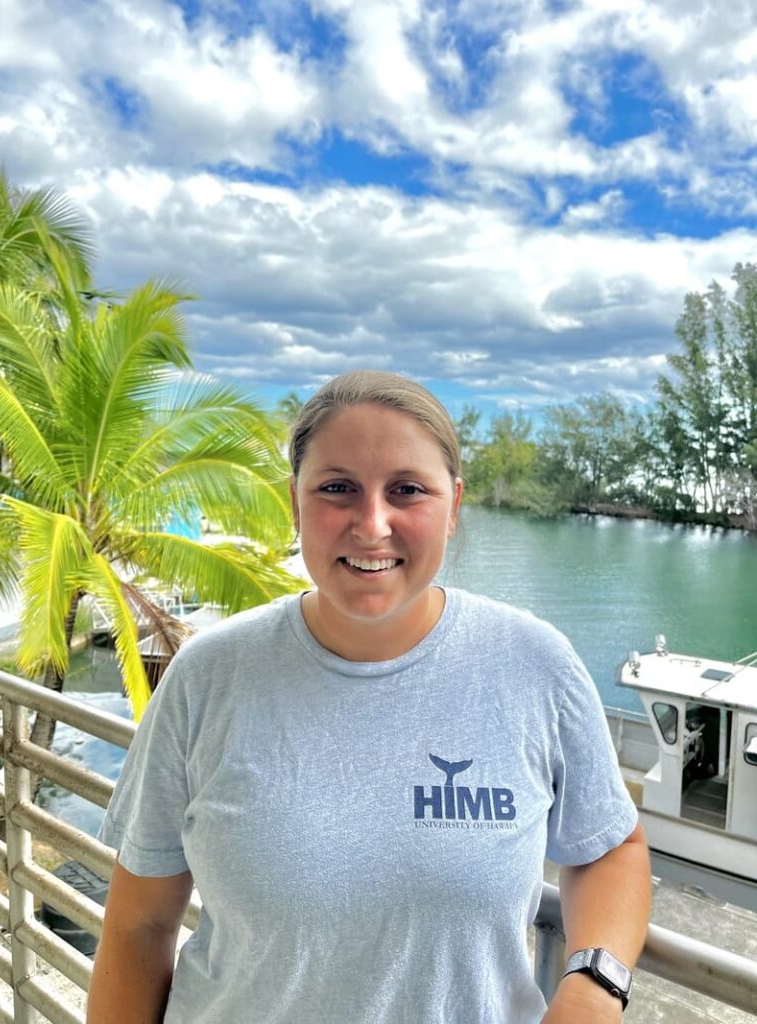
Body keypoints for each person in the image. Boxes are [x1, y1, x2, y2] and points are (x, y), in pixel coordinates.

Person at [87, 370, 651, 1024]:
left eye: (407, 490)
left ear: (454, 504)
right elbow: (137, 929)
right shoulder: (209, 675)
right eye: (337, 489)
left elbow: (610, 845)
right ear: (295, 502)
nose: (372, 524)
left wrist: (592, 984)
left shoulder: (533, 664)